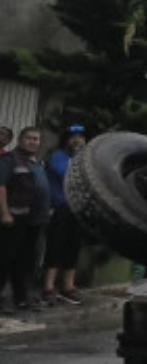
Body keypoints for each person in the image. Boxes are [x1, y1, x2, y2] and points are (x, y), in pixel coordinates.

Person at [0, 127, 51, 314]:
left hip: (33, 221)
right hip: (14, 219)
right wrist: (5, 213)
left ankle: (21, 298)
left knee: (24, 261)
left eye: (36, 139)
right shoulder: (9, 160)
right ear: (20, 140)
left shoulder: (37, 162)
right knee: (5, 259)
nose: (33, 142)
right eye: (29, 138)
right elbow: (1, 187)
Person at [42, 125, 87, 306]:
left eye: (81, 137)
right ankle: (48, 287)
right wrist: (80, 159)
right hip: (59, 209)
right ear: (65, 140)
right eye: (72, 137)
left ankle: (68, 287)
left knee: (73, 247)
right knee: (55, 246)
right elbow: (66, 174)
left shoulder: (85, 159)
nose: (77, 140)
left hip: (78, 210)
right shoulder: (58, 156)